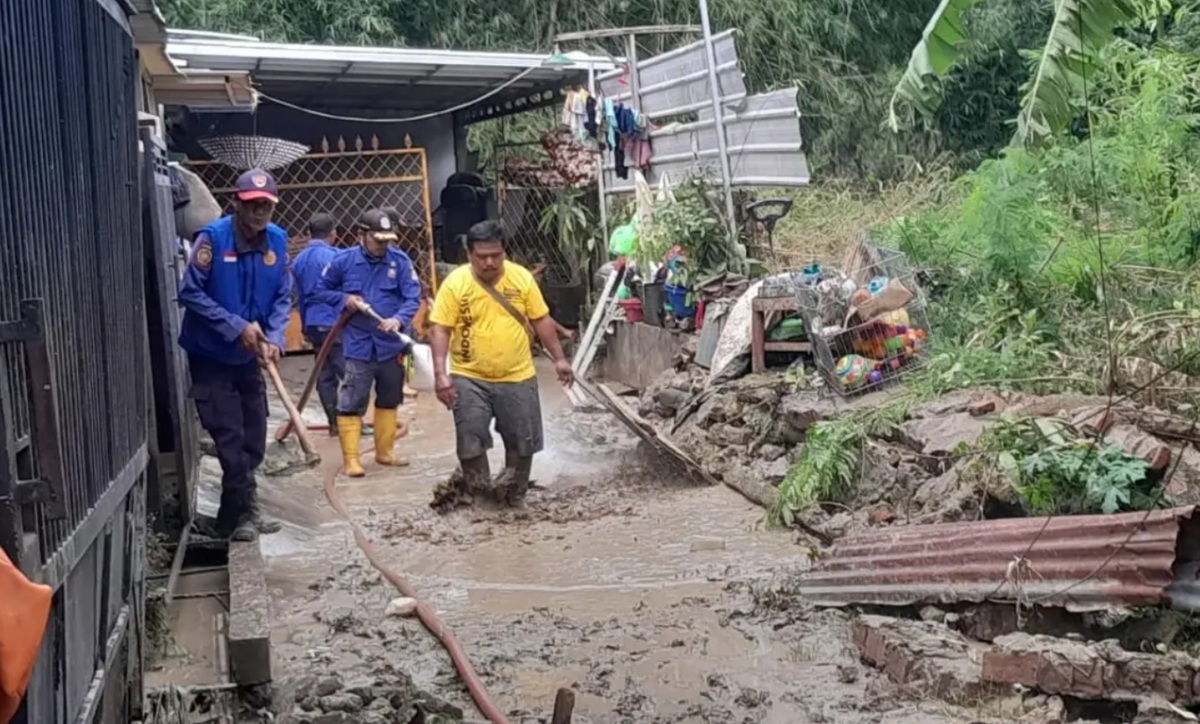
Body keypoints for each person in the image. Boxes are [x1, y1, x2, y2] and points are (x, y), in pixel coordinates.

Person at [177, 168, 290, 541]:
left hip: (248, 358)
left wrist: (274, 337)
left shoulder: (277, 242)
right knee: (229, 438)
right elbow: (189, 292)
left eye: (265, 206)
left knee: (254, 436)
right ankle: (243, 515)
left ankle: (232, 516)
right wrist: (236, 326)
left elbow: (282, 296)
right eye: (251, 204)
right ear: (236, 204)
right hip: (211, 356)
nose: (259, 212)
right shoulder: (212, 240)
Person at [429, 220, 573, 504]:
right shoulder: (456, 283)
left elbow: (541, 320)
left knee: (523, 442)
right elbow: (440, 329)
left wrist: (559, 359)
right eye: (482, 256)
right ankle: (480, 497)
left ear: (504, 251)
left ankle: (513, 496)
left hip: (517, 374)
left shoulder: (521, 279)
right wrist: (440, 375)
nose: (490, 262)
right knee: (470, 439)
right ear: (469, 254)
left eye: (496, 255)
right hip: (469, 375)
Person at [317, 209, 423, 477]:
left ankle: (384, 452)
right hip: (359, 346)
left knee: (389, 397)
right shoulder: (343, 262)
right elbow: (321, 289)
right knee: (352, 400)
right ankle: (352, 460)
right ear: (361, 235)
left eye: (387, 240)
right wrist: (345, 300)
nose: (383, 246)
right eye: (377, 240)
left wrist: (398, 319)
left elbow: (412, 297)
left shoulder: (399, 262)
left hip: (390, 346)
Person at [291, 213, 345, 435]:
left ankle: (334, 424)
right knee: (349, 374)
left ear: (308, 234)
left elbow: (300, 297)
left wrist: (305, 325)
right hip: (336, 323)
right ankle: (352, 424)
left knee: (324, 374)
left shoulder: (298, 261)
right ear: (333, 234)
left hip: (313, 323)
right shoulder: (337, 258)